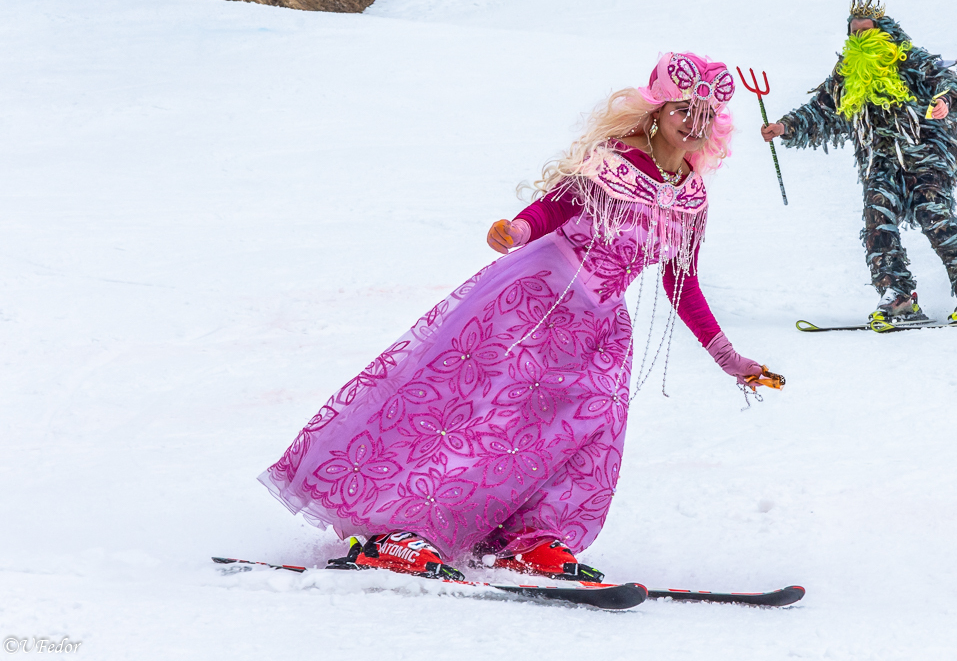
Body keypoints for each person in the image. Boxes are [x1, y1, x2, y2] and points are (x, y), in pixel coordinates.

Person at [259, 53, 774, 583]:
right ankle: (399, 531)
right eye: (683, 109)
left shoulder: (690, 194)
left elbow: (681, 279)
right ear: (655, 111)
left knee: (589, 428)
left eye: (706, 114)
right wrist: (519, 230)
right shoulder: (614, 161)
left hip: (598, 327)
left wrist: (727, 357)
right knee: (485, 417)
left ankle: (532, 540)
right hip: (535, 302)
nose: (694, 123)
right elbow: (556, 206)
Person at [761, 0, 957, 325]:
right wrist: (786, 126)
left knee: (933, 216)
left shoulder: (910, 61)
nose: (860, 38)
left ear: (883, 31)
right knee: (878, 222)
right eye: (854, 32)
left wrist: (946, 101)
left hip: (927, 153)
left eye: (867, 31)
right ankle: (897, 294)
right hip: (879, 159)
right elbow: (823, 110)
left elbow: (955, 88)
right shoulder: (848, 72)